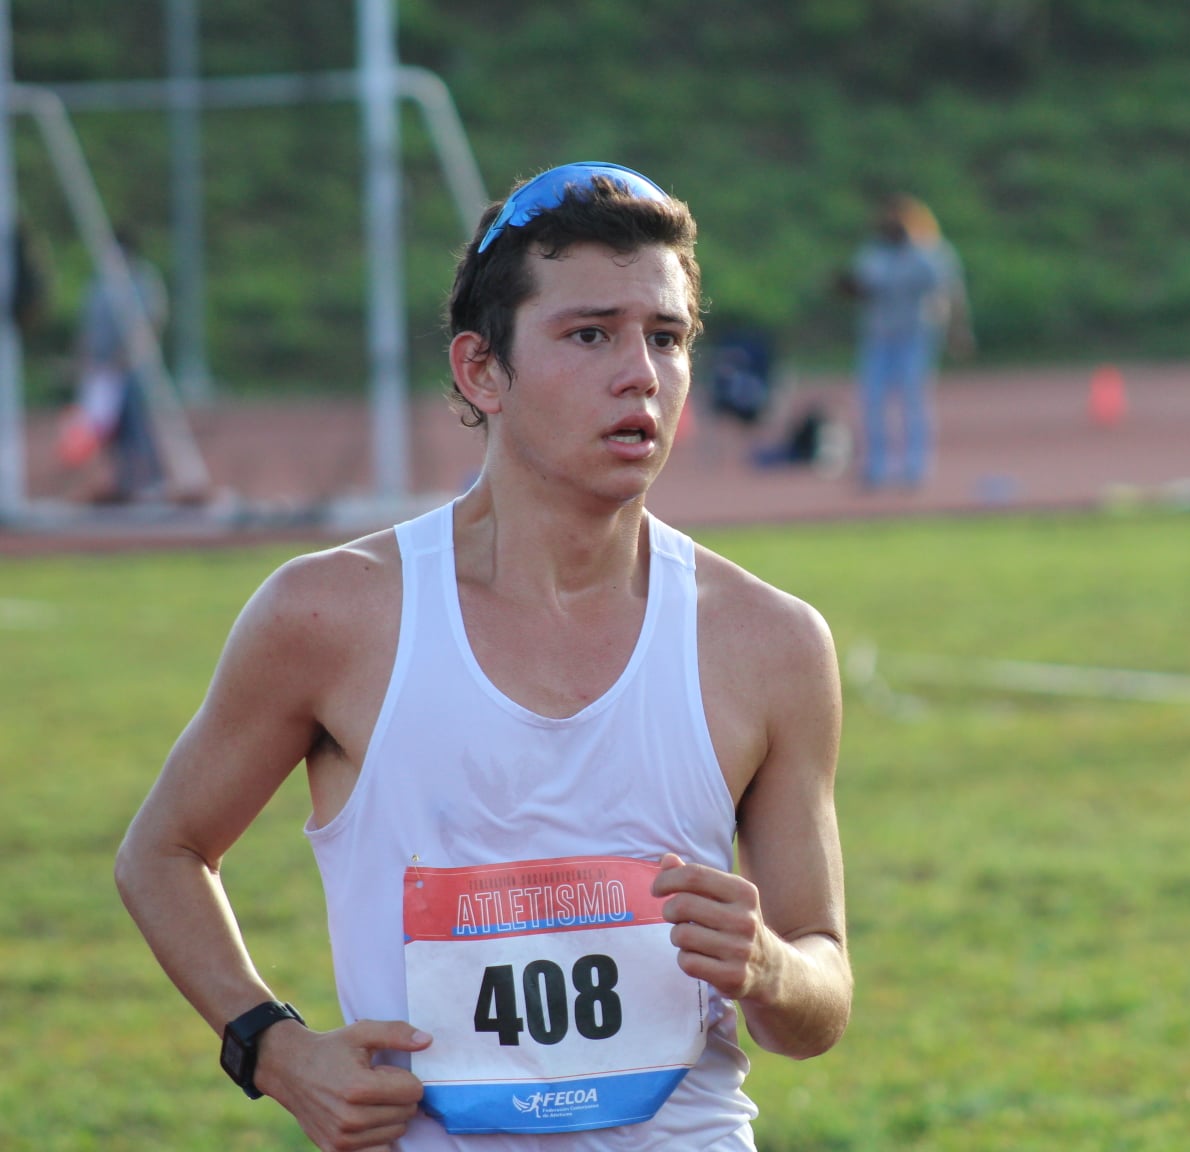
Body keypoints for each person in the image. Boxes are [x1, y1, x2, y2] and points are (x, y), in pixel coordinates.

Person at [115, 162, 851, 1151]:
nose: (641, 372)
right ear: (480, 370)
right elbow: (161, 853)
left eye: (666, 337)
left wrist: (767, 965)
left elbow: (821, 993)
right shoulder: (332, 615)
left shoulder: (770, 642)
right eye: (591, 333)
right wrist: (275, 1051)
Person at [840, 194, 971, 490]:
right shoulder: (874, 252)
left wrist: (957, 329)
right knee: (871, 400)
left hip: (915, 334)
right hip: (878, 336)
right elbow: (864, 286)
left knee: (913, 397)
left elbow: (949, 291)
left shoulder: (930, 252)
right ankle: (876, 466)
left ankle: (915, 466)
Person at [76, 227, 169, 502]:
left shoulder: (142, 279)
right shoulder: (100, 282)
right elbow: (89, 327)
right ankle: (122, 481)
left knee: (139, 425)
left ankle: (152, 480)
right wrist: (85, 360)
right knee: (108, 429)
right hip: (103, 370)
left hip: (134, 368)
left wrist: (128, 356)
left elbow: (151, 321)